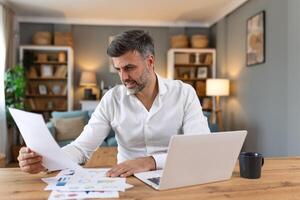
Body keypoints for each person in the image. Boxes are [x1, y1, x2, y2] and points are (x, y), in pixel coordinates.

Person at [17, 30, 210, 176]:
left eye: (129, 68)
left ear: (150, 62)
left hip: (174, 177)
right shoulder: (112, 99)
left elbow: (199, 148)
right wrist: (46, 161)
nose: (124, 77)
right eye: (118, 69)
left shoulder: (184, 93)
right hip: (127, 180)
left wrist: (151, 162)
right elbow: (81, 148)